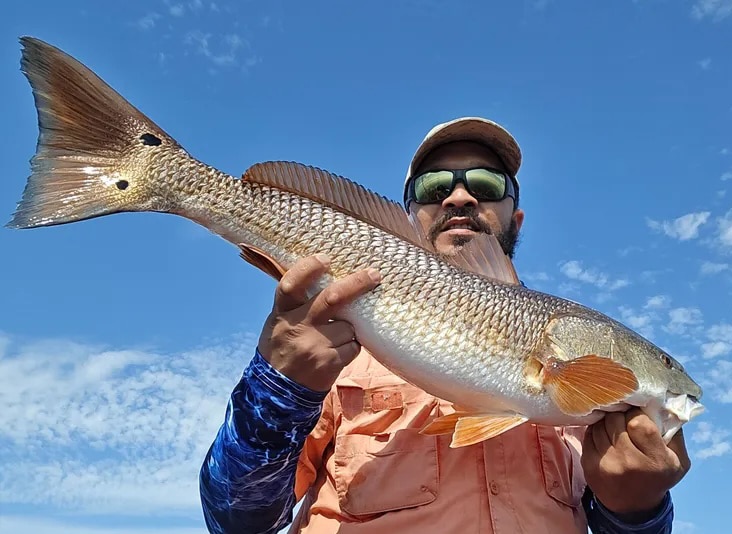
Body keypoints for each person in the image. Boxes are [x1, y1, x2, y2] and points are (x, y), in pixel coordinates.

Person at [199, 117, 692, 534]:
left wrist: (637, 511)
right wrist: (279, 390)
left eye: (486, 185)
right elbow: (235, 520)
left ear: (514, 217)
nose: (460, 198)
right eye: (436, 187)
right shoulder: (332, 346)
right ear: (406, 216)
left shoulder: (594, 412)